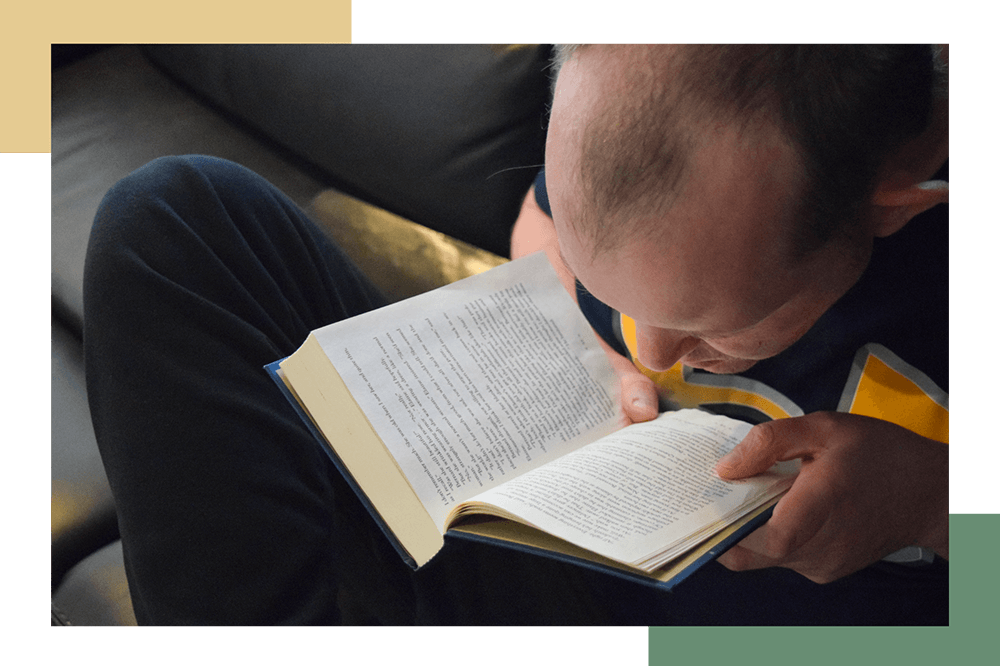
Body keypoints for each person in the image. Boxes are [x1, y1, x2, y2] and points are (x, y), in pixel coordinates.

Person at [84, 43, 948, 625]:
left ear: (890, 208)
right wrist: (587, 342)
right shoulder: (656, 102)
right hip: (535, 557)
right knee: (174, 214)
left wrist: (928, 501)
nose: (652, 354)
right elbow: (539, 226)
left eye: (709, 325)